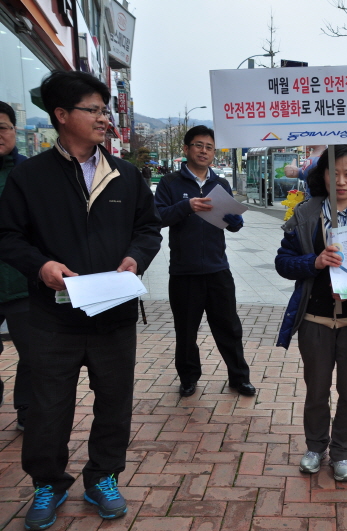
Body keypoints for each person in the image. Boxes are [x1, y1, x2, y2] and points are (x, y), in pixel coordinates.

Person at [0, 70, 162, 530]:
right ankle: (47, 484)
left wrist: (135, 258)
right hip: (53, 318)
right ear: (62, 116)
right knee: (49, 404)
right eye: (93, 109)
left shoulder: (126, 175)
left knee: (114, 400)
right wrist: (41, 267)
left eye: (104, 110)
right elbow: (8, 236)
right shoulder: (30, 177)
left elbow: (148, 230)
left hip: (114, 314)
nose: (103, 118)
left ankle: (103, 477)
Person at [275, 145, 347, 482]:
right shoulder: (305, 215)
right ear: (322, 175)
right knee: (316, 391)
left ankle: (342, 453)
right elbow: (283, 263)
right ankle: (315, 447)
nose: (341, 181)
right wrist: (314, 262)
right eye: (334, 173)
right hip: (314, 320)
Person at [154, 126, 255, 399]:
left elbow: (230, 222)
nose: (204, 151)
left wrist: (235, 222)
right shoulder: (170, 184)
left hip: (217, 269)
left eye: (209, 147)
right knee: (185, 330)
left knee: (229, 327)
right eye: (198, 145)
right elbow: (158, 217)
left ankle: (239, 378)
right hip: (184, 271)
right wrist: (187, 207)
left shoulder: (220, 184)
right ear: (186, 149)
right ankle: (188, 378)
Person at [0, 100, 31, 431]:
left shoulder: (28, 172)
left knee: (33, 354)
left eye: (3, 126)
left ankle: (26, 409)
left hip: (23, 280)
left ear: (13, 130)